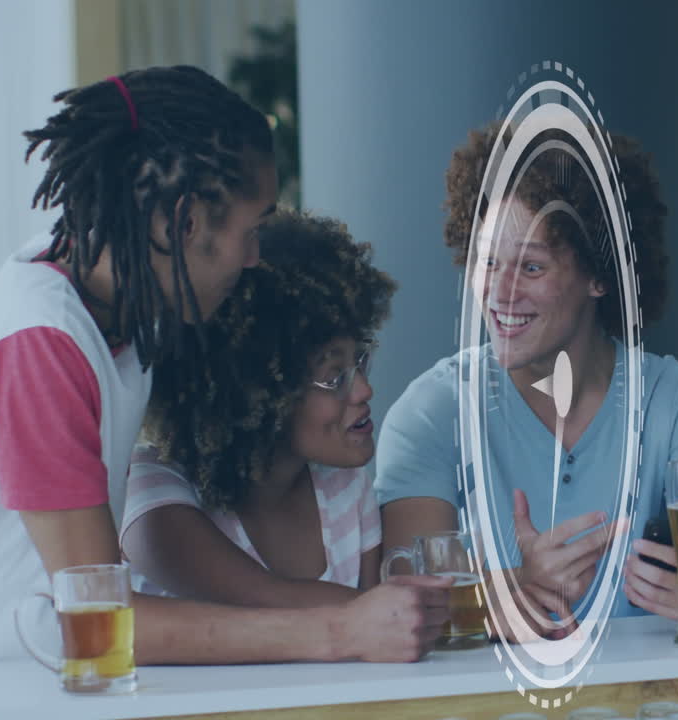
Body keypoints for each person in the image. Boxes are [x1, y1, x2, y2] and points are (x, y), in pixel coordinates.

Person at [0, 66, 447, 663]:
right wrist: (340, 631)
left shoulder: (110, 305)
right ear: (183, 221)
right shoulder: (39, 345)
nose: (254, 259)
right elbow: (92, 615)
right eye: (252, 230)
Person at [374, 125, 678, 639]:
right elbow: (408, 599)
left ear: (602, 276)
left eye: (532, 267)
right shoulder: (432, 412)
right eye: (488, 262)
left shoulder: (677, 405)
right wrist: (516, 587)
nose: (499, 291)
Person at [121, 210, 442, 643]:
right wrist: (419, 606)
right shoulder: (152, 495)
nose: (364, 389)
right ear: (257, 391)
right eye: (334, 376)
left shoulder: (346, 488)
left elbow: (377, 644)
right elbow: (263, 597)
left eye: (359, 360)